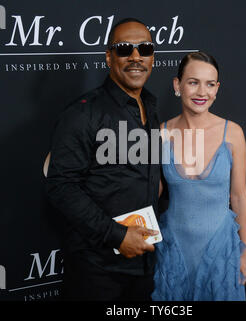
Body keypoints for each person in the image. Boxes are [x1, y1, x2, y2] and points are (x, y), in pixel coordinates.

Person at [45, 18, 161, 301]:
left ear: (152, 58)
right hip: (97, 271)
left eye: (144, 49)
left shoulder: (151, 107)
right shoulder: (83, 114)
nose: (135, 56)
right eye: (124, 49)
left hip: (143, 267)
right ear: (109, 57)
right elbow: (61, 186)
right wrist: (117, 236)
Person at [152, 52, 246, 301]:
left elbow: (239, 197)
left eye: (210, 84)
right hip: (174, 250)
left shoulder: (233, 134)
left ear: (217, 89)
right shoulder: (161, 133)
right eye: (193, 82)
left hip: (221, 251)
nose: (202, 92)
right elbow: (150, 193)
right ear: (178, 85)